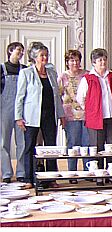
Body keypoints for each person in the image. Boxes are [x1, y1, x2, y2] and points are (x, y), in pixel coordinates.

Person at [15, 41, 65, 189]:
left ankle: (51, 178)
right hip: (31, 116)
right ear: (34, 57)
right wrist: (18, 117)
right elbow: (20, 97)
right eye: (41, 55)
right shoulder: (26, 73)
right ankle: (29, 178)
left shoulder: (51, 72)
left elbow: (57, 96)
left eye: (46, 55)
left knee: (51, 147)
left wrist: (61, 115)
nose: (45, 58)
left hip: (50, 115)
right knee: (29, 147)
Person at [76, 48, 112, 186]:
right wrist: (90, 110)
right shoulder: (87, 78)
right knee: (97, 146)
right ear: (93, 63)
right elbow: (80, 98)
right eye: (100, 60)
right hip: (96, 118)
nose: (103, 62)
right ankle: (99, 176)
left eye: (104, 59)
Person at [57, 49, 90, 184]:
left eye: (77, 60)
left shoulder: (87, 75)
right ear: (67, 62)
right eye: (71, 60)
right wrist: (61, 116)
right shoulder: (62, 77)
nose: (75, 63)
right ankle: (72, 174)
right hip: (69, 116)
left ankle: (89, 172)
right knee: (72, 144)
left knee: (87, 144)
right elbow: (58, 98)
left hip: (87, 115)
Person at [1, 42, 26, 183]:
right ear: (10, 51)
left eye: (22, 51)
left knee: (22, 142)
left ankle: (21, 172)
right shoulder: (1, 69)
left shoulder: (25, 69)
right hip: (4, 108)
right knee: (3, 141)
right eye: (18, 51)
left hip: (22, 110)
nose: (21, 54)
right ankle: (6, 173)